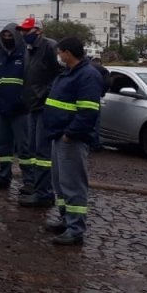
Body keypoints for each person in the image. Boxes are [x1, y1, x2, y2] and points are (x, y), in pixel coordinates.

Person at [41, 37, 104, 246]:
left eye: (60, 53)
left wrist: (70, 134)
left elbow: (88, 112)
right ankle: (66, 220)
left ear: (68, 53)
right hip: (59, 136)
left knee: (73, 185)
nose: (58, 56)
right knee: (60, 183)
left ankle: (75, 229)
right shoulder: (68, 73)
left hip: (72, 139)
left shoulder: (87, 75)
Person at [16, 17, 64, 207]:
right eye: (22, 31)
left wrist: (45, 94)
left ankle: (44, 193)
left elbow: (60, 73)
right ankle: (38, 188)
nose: (23, 34)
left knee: (42, 153)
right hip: (32, 105)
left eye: (27, 31)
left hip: (44, 106)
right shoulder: (28, 49)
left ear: (37, 31)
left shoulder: (49, 47)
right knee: (34, 150)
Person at [0, 23, 31, 190]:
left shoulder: (26, 54)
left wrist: (24, 101)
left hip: (21, 111)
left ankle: (29, 182)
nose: (7, 39)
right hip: (2, 109)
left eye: (10, 36)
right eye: (5, 36)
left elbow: (32, 81)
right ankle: (3, 177)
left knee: (24, 148)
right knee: (2, 144)